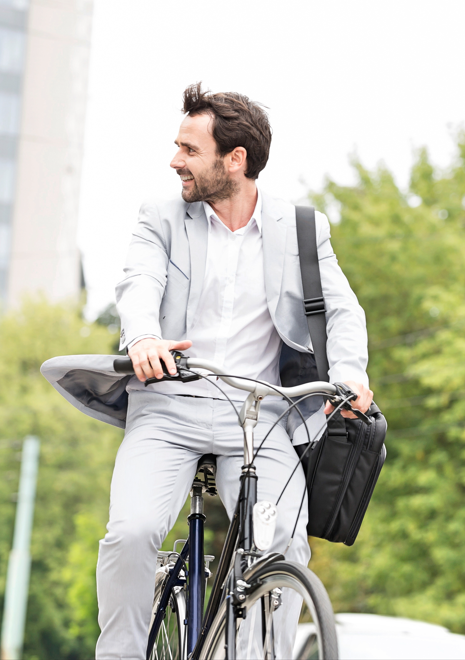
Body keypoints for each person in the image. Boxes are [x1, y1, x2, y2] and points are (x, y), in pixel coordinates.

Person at [98, 83, 373, 658]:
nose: (175, 161)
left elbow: (343, 309)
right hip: (168, 409)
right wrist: (144, 335)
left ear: (235, 160)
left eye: (189, 150)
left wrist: (351, 374)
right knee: (131, 534)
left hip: (259, 418)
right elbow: (138, 282)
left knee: (283, 546)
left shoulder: (300, 228)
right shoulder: (161, 216)